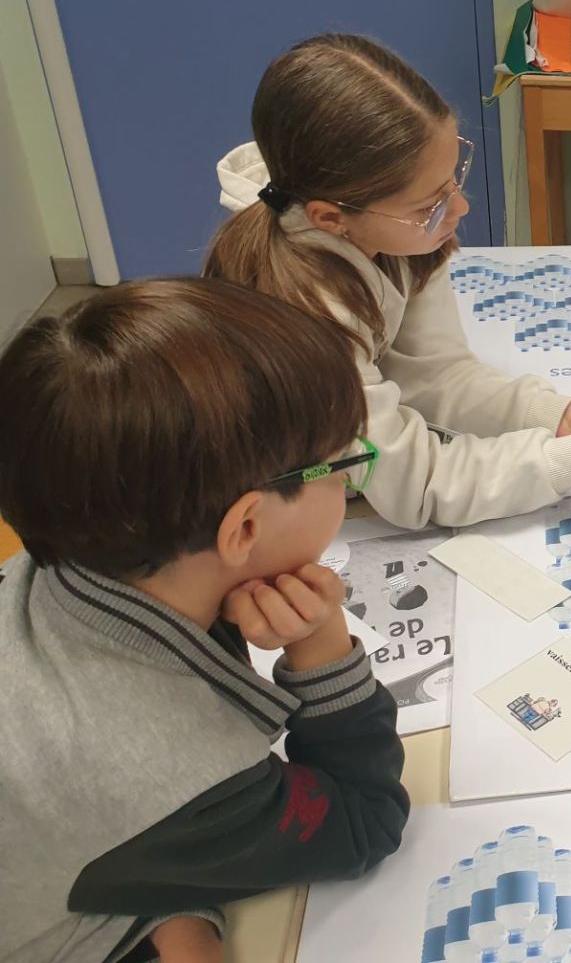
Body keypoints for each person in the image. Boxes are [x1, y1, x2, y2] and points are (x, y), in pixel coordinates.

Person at [0, 278, 410, 962]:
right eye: (339, 465)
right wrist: (322, 644)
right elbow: (364, 820)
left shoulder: (67, 554)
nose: (347, 479)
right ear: (244, 527)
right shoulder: (173, 774)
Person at [206, 33, 571, 530]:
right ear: (331, 218)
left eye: (453, 179)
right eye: (429, 205)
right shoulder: (303, 318)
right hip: (277, 505)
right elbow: (417, 484)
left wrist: (548, 414)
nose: (459, 208)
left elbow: (433, 375)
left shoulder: (394, 233)